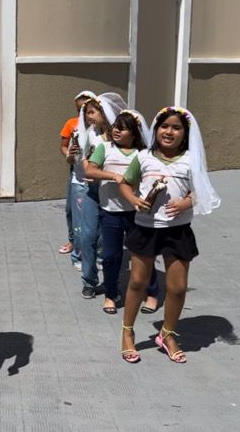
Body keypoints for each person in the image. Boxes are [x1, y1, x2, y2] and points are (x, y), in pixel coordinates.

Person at [118, 106, 221, 364]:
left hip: (177, 231)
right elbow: (124, 183)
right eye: (165, 126)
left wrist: (187, 203)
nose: (169, 132)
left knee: (177, 287)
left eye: (176, 128)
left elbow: (200, 191)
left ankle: (167, 334)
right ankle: (127, 333)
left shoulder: (190, 160)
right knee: (137, 283)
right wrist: (134, 200)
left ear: (185, 134)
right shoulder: (143, 158)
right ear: (156, 130)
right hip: (145, 228)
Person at [85, 109, 158, 315]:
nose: (117, 130)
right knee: (110, 256)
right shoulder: (104, 148)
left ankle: (151, 294)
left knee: (143, 255)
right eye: (116, 126)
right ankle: (110, 294)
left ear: (134, 134)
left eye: (123, 128)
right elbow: (90, 170)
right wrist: (112, 175)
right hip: (110, 212)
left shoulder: (142, 154)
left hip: (137, 213)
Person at [75, 93, 128, 299]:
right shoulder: (91, 133)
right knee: (87, 236)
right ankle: (89, 281)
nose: (89, 117)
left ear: (105, 113)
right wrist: (89, 170)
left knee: (111, 242)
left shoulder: (120, 135)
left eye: (92, 112)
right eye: (87, 113)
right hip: (92, 191)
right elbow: (86, 158)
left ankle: (111, 284)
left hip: (114, 194)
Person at [59, 90, 96, 266]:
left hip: (92, 176)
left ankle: (91, 250)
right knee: (71, 211)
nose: (83, 113)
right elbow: (64, 146)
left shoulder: (99, 130)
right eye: (80, 109)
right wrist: (69, 156)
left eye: (87, 109)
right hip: (76, 172)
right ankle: (74, 242)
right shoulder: (72, 124)